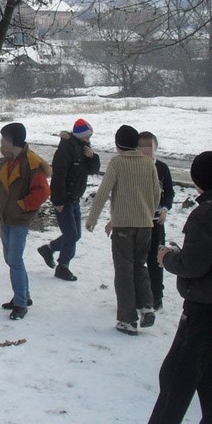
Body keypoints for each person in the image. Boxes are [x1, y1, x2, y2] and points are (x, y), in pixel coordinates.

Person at [148, 151, 212, 424]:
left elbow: (194, 265)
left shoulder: (203, 216)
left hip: (203, 310)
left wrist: (168, 258)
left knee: (176, 378)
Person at [86, 125, 161, 336]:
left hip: (123, 227)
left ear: (118, 145)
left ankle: (127, 320)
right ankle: (146, 306)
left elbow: (103, 192)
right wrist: (148, 212)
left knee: (124, 271)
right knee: (139, 265)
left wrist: (92, 219)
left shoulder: (117, 162)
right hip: (145, 225)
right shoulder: (148, 163)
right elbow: (157, 194)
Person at [0, 122, 51, 320]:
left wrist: (23, 206)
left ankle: (21, 303)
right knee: (10, 258)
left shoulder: (31, 163)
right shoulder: (7, 160)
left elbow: (42, 192)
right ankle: (23, 296)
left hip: (19, 220)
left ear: (11, 141)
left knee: (14, 260)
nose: (1, 143)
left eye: (3, 139)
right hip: (6, 216)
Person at [37, 119, 100, 282]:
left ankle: (48, 249)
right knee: (71, 234)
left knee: (76, 234)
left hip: (74, 198)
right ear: (80, 135)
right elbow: (58, 176)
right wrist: (58, 201)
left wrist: (92, 157)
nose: (89, 139)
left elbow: (93, 170)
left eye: (90, 136)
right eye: (87, 136)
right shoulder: (66, 149)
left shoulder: (84, 147)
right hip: (64, 199)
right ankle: (63, 267)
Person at [139, 131, 175, 311]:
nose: (146, 151)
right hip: (137, 221)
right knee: (137, 260)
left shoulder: (161, 167)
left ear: (156, 148)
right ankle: (138, 295)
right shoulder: (134, 167)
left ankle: (156, 296)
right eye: (142, 147)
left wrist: (165, 209)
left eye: (150, 147)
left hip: (155, 221)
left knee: (156, 260)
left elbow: (169, 192)